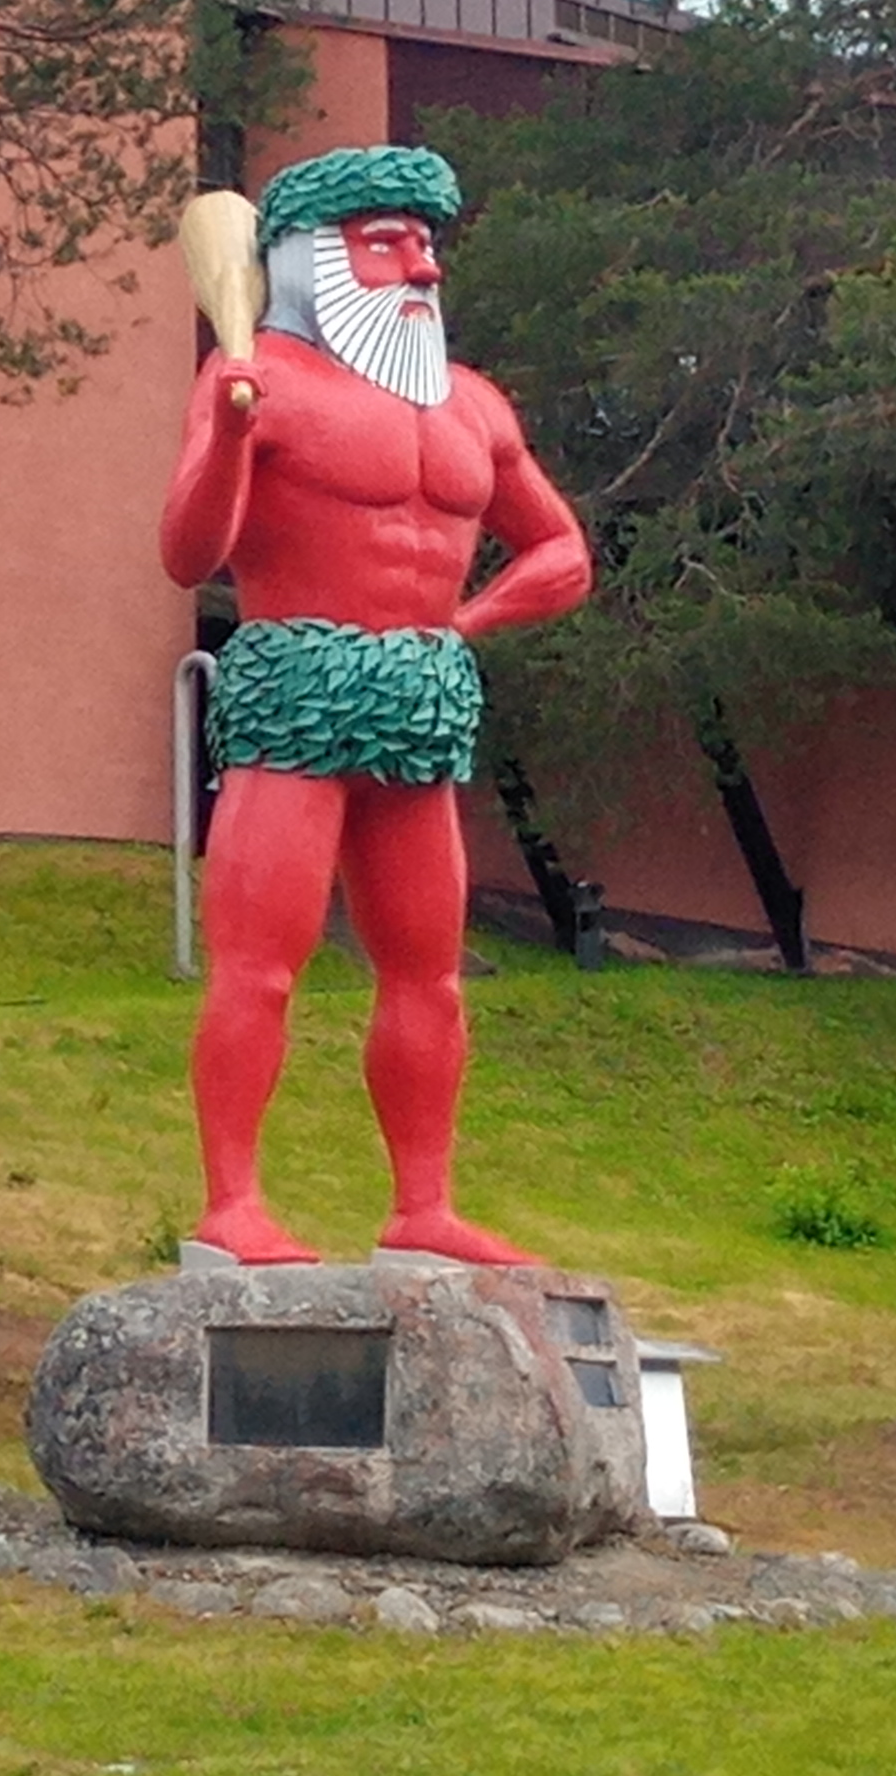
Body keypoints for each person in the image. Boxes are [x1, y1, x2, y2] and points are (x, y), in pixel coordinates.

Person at [158, 145, 590, 1266]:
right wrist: (233, 437)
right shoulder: (257, 378)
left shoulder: (472, 405)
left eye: (427, 243)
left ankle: (422, 1206)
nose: (422, 267)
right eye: (387, 244)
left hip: (416, 705)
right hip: (293, 702)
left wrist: (466, 623)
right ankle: (232, 1202)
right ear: (312, 257)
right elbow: (189, 551)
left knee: (429, 973)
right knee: (260, 962)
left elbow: (561, 552)